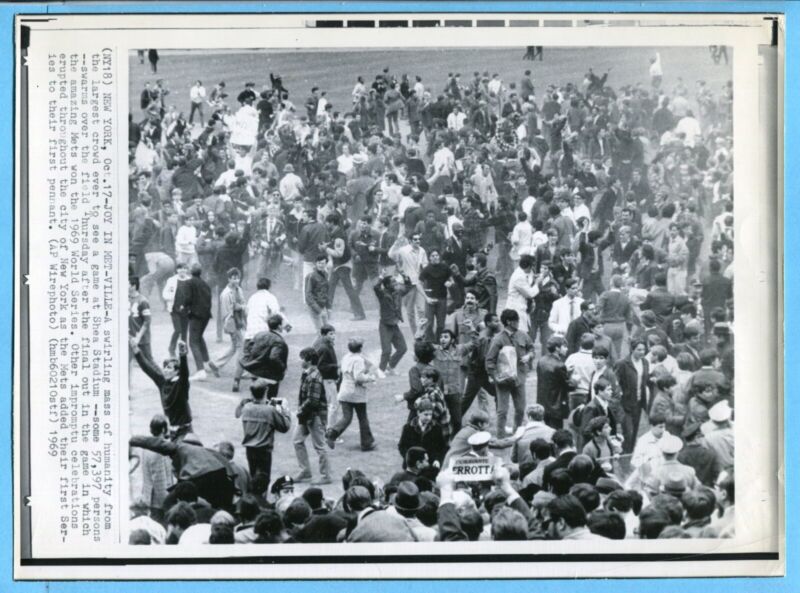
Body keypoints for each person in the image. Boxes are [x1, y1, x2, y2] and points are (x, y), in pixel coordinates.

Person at [129, 433, 237, 512]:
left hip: (202, 478)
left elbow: (157, 443)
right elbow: (229, 469)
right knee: (222, 510)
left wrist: (134, 440)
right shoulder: (209, 451)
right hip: (224, 480)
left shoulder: (181, 447)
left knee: (169, 501)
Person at [485, 308, 534, 437]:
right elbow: (489, 360)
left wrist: (529, 356)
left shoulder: (523, 335)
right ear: (509, 322)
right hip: (503, 380)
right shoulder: (498, 339)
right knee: (502, 411)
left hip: (519, 378)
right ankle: (500, 437)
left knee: (520, 409)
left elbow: (531, 348)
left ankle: (516, 433)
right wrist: (495, 377)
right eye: (516, 320)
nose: (518, 322)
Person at [233, 378, 291, 484]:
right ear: (266, 390)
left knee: (253, 477)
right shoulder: (270, 410)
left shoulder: (246, 407)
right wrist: (285, 411)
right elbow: (285, 427)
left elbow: (237, 414)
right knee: (264, 480)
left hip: (250, 449)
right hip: (264, 450)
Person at [325, 338, 377, 451]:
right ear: (360, 348)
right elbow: (358, 378)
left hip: (344, 391)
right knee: (362, 417)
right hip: (356, 393)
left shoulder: (346, 357)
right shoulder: (358, 360)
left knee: (347, 417)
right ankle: (366, 443)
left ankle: (332, 433)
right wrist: (370, 378)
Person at [293, 347, 332, 485]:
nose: (300, 360)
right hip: (307, 415)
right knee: (297, 440)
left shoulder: (314, 377)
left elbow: (313, 401)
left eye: (302, 358)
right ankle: (305, 471)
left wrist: (300, 410)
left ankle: (326, 475)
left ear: (308, 360)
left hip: (314, 416)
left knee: (320, 446)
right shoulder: (309, 374)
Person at [174, 263, 218, 381]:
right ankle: (207, 362)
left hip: (196, 315)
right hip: (206, 315)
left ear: (190, 272)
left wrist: (183, 307)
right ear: (200, 272)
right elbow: (209, 299)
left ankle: (200, 370)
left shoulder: (189, 283)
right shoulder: (205, 284)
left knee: (193, 342)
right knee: (198, 337)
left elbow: (187, 298)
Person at [238, 314, 290, 398]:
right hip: (271, 375)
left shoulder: (259, 335)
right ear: (279, 326)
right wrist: (283, 367)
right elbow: (274, 357)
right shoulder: (279, 341)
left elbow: (248, 349)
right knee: (271, 399)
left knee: (256, 397)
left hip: (255, 373)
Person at [373, 270, 413, 376]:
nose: (396, 284)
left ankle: (390, 367)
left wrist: (405, 276)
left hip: (394, 325)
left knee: (402, 348)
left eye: (396, 282)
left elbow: (408, 287)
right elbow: (376, 287)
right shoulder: (382, 294)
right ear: (386, 285)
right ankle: (380, 370)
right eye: (393, 283)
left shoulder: (397, 293)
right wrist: (381, 276)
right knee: (387, 350)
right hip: (385, 325)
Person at [614, 338, 650, 453]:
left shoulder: (645, 362)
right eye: (639, 349)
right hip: (625, 404)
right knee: (628, 433)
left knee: (634, 432)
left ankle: (629, 455)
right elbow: (615, 382)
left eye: (644, 349)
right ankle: (624, 455)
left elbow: (645, 380)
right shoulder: (622, 363)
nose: (642, 352)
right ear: (632, 349)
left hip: (638, 403)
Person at [138, 415, 176, 522]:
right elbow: (160, 481)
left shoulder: (147, 446)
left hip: (150, 497)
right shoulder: (159, 450)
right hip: (159, 503)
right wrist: (168, 504)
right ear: (163, 429)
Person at [398, 397, 448, 470]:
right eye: (426, 414)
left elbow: (442, 448)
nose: (428, 417)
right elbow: (402, 446)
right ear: (418, 413)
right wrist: (409, 458)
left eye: (430, 414)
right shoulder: (408, 428)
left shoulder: (437, 428)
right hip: (412, 466)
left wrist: (437, 460)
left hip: (430, 466)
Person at [214, 268, 246, 371]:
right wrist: (240, 307)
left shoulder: (239, 289)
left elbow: (242, 303)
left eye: (238, 278)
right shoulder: (226, 294)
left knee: (234, 347)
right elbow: (228, 312)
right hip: (232, 322)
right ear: (229, 279)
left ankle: (216, 365)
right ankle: (241, 370)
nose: (236, 281)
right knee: (241, 345)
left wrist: (240, 307)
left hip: (239, 321)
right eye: (234, 278)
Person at [536, 335, 571, 428]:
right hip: (556, 405)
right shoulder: (559, 365)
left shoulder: (541, 361)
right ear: (557, 348)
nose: (567, 349)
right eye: (564, 346)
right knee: (556, 430)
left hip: (543, 403)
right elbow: (568, 385)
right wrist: (576, 380)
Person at [162, 262, 191, 357]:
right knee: (178, 329)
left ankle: (183, 350)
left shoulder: (190, 280)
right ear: (177, 270)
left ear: (186, 270)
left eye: (184, 268)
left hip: (186, 309)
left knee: (184, 331)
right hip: (175, 309)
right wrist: (171, 297)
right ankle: (171, 348)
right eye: (180, 268)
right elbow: (164, 294)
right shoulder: (171, 280)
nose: (182, 270)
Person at [129, 276, 153, 365]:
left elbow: (147, 321)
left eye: (127, 284)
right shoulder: (125, 299)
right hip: (129, 337)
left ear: (133, 286)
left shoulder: (143, 301)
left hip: (141, 338)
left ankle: (163, 378)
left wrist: (138, 337)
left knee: (149, 362)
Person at [305, 254, 331, 330]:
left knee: (327, 331)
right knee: (320, 333)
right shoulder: (311, 276)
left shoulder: (326, 274)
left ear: (326, 264)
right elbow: (308, 295)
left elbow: (326, 292)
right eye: (319, 263)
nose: (320, 265)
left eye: (323, 263)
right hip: (315, 307)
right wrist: (318, 310)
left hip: (323, 306)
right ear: (316, 263)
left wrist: (329, 307)